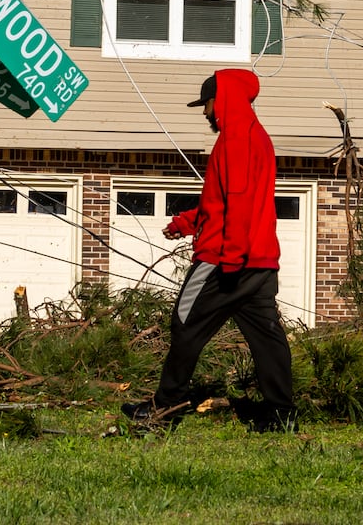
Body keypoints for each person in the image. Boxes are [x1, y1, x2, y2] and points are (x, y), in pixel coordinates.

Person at [123, 68, 296, 433]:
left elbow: (240, 205)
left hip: (224, 260)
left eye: (207, 104)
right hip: (260, 262)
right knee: (267, 336)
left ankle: (165, 409)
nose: (205, 113)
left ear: (223, 99)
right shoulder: (254, 137)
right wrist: (187, 223)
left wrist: (230, 260)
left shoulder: (237, 139)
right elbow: (220, 201)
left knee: (185, 323)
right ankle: (280, 415)